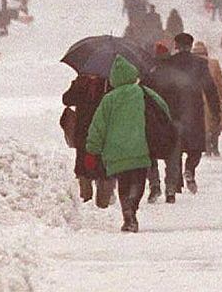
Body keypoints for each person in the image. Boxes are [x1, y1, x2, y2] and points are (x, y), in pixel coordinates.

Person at [84, 55, 171, 232]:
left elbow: (97, 126)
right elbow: (163, 110)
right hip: (141, 147)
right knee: (138, 182)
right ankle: (133, 206)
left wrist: (92, 150)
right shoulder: (143, 92)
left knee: (123, 182)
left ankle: (127, 212)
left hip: (116, 152)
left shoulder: (108, 99)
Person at [159, 32, 221, 194]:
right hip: (194, 110)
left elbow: (162, 87)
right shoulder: (200, 64)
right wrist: (215, 111)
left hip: (173, 110)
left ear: (176, 46)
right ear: (191, 46)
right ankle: (190, 170)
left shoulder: (169, 63)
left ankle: (177, 179)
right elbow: (210, 88)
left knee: (175, 147)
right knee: (196, 147)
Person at [62, 73, 115, 208]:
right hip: (83, 132)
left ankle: (103, 202)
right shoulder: (80, 82)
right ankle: (86, 199)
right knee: (82, 165)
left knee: (102, 166)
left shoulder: (107, 83)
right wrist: (77, 86)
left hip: (102, 132)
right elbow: (66, 99)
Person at [145, 42, 182, 204]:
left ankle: (154, 185)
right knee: (172, 155)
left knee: (149, 154)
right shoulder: (176, 75)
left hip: (153, 120)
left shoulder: (149, 75)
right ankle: (171, 188)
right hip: (172, 120)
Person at [192, 41, 222, 156]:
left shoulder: (190, 65)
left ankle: (206, 145)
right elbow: (220, 83)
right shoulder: (213, 63)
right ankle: (215, 146)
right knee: (214, 122)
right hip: (213, 98)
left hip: (195, 100)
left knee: (202, 123)